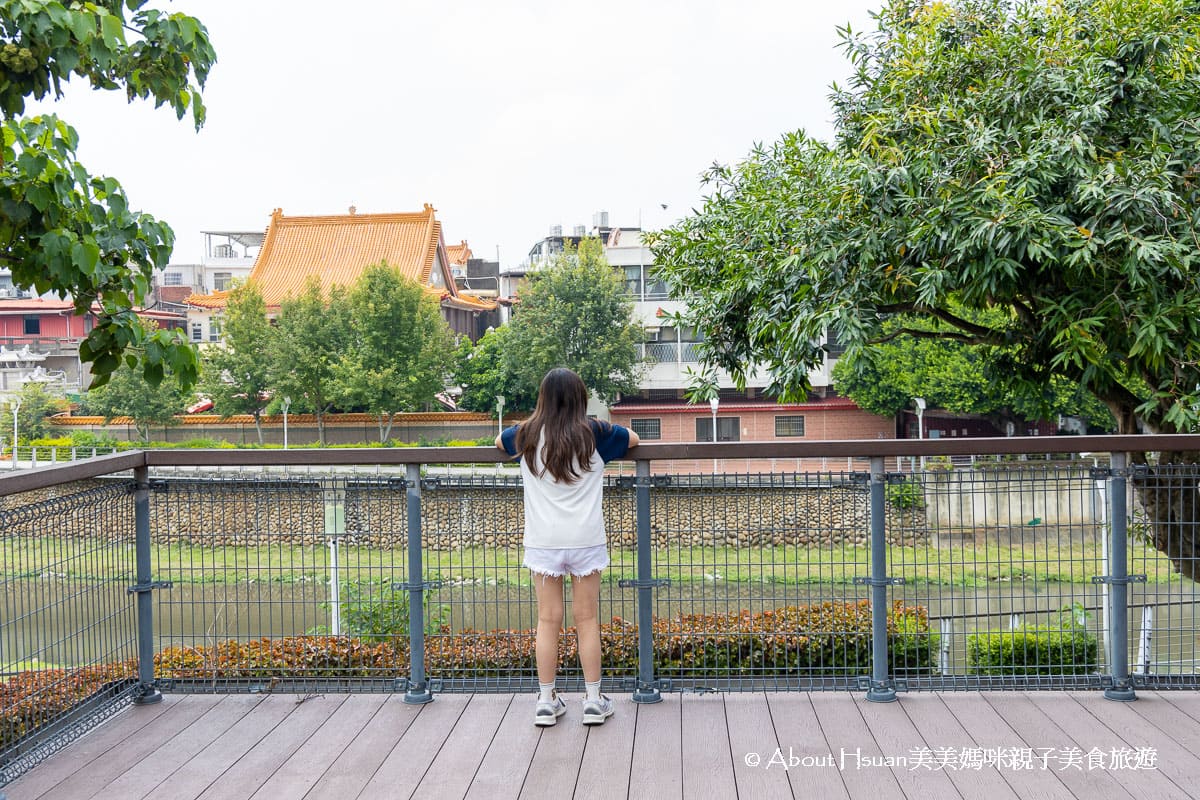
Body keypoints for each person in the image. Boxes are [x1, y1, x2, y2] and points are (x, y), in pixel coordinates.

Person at [496, 367, 639, 726]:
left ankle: (546, 701)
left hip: (543, 543)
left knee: (547, 620)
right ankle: (593, 701)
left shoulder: (525, 434)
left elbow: (499, 442)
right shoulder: (596, 434)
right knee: (587, 619)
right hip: (586, 540)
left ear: (542, 398)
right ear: (580, 398)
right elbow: (634, 439)